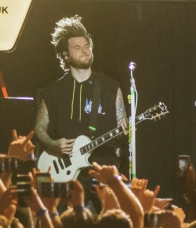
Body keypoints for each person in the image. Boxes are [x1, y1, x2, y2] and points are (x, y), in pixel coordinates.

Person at [33, 16, 126, 178]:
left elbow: (121, 127)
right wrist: (53, 144)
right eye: (77, 47)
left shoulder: (111, 87)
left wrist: (125, 130)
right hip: (64, 171)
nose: (85, 50)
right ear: (66, 55)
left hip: (102, 171)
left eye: (87, 46)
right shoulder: (54, 91)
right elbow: (39, 128)